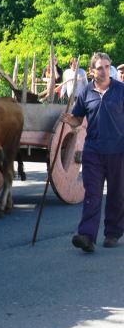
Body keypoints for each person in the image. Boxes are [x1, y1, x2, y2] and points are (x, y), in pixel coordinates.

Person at [61, 52, 124, 253]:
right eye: (100, 67)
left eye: (107, 67)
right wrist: (69, 119)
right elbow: (78, 119)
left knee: (117, 194)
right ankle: (87, 236)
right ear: (92, 71)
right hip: (93, 151)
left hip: (118, 151)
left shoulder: (121, 90)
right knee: (93, 195)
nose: (104, 71)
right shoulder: (86, 92)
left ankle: (113, 233)